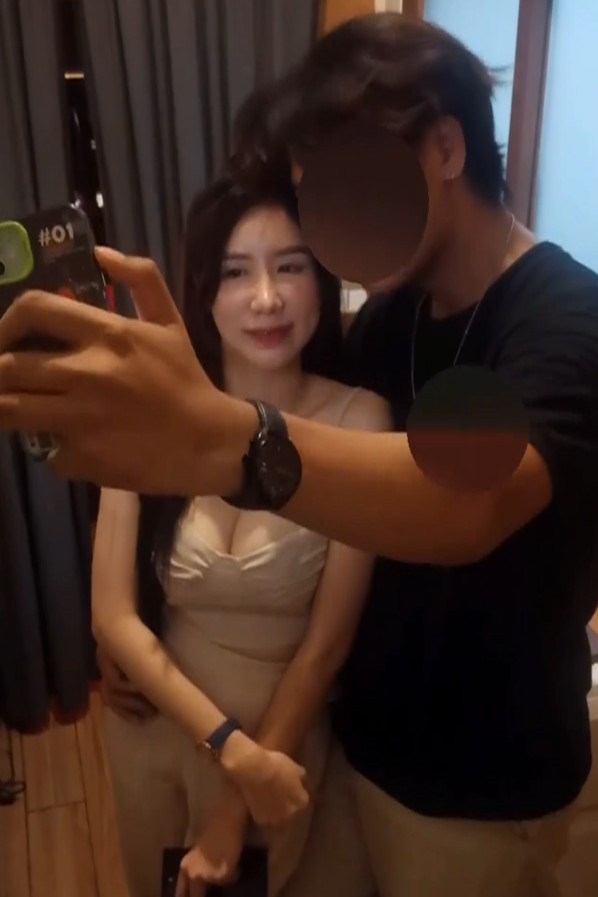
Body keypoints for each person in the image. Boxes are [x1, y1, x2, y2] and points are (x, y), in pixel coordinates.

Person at [1, 12, 598, 896]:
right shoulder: (395, 317)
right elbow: (318, 480)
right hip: (355, 750)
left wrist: (216, 437)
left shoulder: (563, 319)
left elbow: (461, 503)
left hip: (478, 786)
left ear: (445, 147)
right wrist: (131, 623)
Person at [91, 170, 388, 897]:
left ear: (321, 281)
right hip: (159, 736)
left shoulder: (360, 421)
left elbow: (327, 646)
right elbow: (112, 614)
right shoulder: (151, 410)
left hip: (278, 748)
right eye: (235, 272)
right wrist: (227, 748)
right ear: (203, 292)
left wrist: (238, 798)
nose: (266, 298)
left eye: (290, 267)